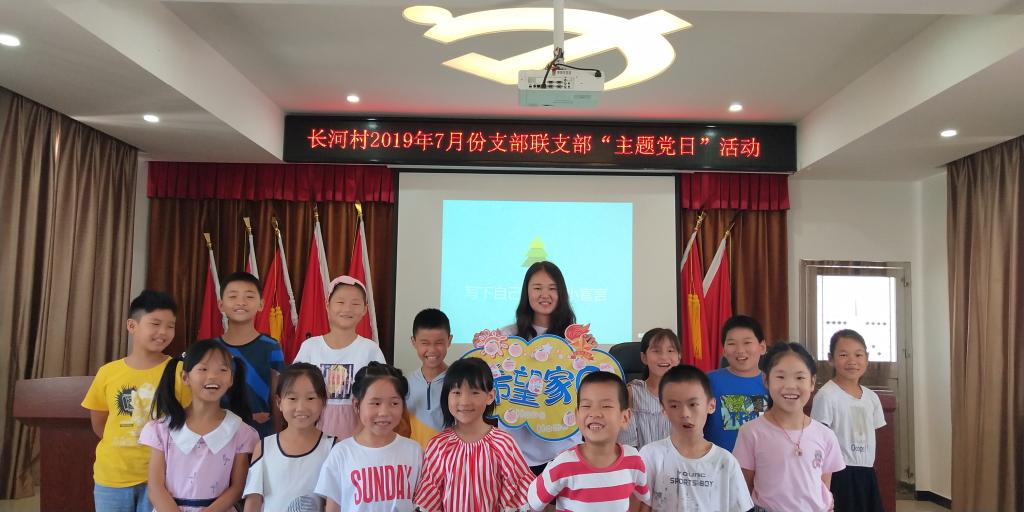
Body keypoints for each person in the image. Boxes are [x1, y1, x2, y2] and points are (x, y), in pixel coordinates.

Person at [82, 290, 189, 512]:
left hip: (162, 478)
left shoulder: (180, 372)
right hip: (112, 476)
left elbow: (188, 422)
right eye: (155, 324)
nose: (163, 332)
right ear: (132, 325)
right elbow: (100, 424)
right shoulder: (108, 372)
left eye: (170, 326)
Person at [141, 339, 259, 512]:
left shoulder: (239, 430)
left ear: (231, 379)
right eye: (203, 369)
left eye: (222, 370)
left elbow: (237, 487)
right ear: (185, 377)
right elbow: (155, 487)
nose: (212, 376)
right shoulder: (162, 429)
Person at [733, 342, 845, 512]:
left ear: (812, 382)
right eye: (780, 377)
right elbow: (744, 488)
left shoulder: (825, 435)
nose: (790, 386)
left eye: (800, 378)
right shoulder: (751, 432)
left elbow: (823, 487)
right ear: (765, 380)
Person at [413, 358, 534, 512]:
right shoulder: (438, 445)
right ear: (446, 396)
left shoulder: (503, 443)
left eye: (474, 392)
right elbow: (429, 496)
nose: (465, 401)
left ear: (490, 396)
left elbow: (517, 492)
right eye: (456, 392)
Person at [499, 261, 581, 472]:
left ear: (561, 293)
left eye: (552, 288)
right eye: (537, 288)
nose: (545, 295)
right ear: (526, 292)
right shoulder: (506, 337)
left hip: (564, 448)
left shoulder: (576, 339)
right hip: (517, 451)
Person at [528, 371, 650, 511]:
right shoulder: (562, 464)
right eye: (586, 406)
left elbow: (642, 498)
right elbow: (534, 503)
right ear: (577, 415)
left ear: (625, 417)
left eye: (606, 406)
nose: (595, 413)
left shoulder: (634, 460)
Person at [637, 365, 753, 512]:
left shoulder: (725, 461)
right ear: (663, 409)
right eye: (674, 406)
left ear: (711, 405)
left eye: (693, 404)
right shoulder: (650, 455)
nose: (685, 414)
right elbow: (641, 506)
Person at [316, 362, 423, 511]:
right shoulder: (341, 453)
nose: (384, 412)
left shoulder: (414, 451)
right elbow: (333, 507)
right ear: (356, 405)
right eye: (375, 403)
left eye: (394, 403)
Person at [293, 275, 386, 439]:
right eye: (340, 302)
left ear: (365, 309)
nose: (347, 309)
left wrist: (359, 434)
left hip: (359, 435)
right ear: (327, 305)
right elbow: (294, 389)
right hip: (312, 433)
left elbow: (381, 394)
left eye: (355, 304)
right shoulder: (310, 347)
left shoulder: (370, 349)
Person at [811, 329, 886, 512]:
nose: (852, 361)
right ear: (831, 359)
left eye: (858, 355)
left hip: (866, 472)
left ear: (866, 359)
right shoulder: (826, 395)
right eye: (844, 355)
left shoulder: (872, 398)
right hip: (839, 474)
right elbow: (817, 439)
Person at [243, 363, 334, 512]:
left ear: (323, 402)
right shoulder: (265, 447)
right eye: (292, 398)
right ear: (279, 402)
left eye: (310, 398)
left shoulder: (333, 448)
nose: (301, 407)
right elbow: (253, 501)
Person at [216, 271, 285, 438]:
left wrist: (277, 439)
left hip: (261, 436)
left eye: (249, 296)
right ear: (221, 305)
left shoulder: (271, 347)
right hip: (220, 434)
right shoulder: (212, 349)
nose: (241, 302)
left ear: (261, 304)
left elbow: (278, 395)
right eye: (233, 296)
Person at [705, 315, 769, 451]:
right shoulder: (707, 382)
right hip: (718, 462)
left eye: (747, 342)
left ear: (762, 347)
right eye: (732, 343)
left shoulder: (773, 384)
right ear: (723, 350)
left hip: (761, 462)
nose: (740, 350)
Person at [619, 328, 681, 449]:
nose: (664, 356)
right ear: (644, 357)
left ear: (679, 357)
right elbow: (627, 445)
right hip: (640, 459)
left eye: (670, 350)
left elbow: (693, 439)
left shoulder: (687, 394)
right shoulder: (632, 393)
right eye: (656, 351)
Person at [406, 308, 453, 449]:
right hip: (415, 458)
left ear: (449, 340)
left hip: (449, 458)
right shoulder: (406, 383)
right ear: (413, 342)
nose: (432, 350)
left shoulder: (457, 382)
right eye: (425, 343)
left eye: (439, 343)